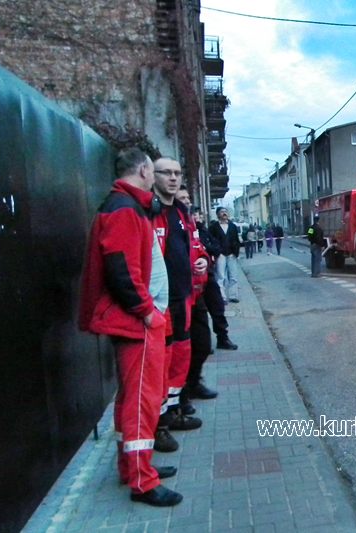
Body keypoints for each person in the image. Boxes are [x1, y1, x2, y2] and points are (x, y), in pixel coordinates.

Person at [78, 147, 182, 507]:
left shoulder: (126, 206)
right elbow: (122, 269)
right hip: (136, 323)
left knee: (133, 399)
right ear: (142, 170)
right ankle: (142, 480)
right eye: (154, 172)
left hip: (136, 321)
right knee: (142, 400)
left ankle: (135, 466)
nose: (157, 179)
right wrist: (146, 311)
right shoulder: (124, 210)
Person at [151, 157, 205, 453]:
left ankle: (173, 410)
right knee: (163, 364)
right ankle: (159, 425)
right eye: (166, 173)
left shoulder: (182, 212)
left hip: (184, 295)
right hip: (161, 302)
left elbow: (193, 246)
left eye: (176, 173)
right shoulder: (151, 211)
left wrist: (201, 261)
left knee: (180, 358)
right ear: (153, 175)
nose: (172, 178)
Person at [174, 188, 220, 413]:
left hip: (197, 293)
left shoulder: (190, 224)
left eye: (188, 199)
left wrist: (203, 260)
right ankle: (180, 396)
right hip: (180, 298)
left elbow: (200, 250)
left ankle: (193, 383)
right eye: (182, 198)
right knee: (181, 350)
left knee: (202, 344)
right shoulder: (168, 221)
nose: (186, 202)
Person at [192, 207, 238, 351]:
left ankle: (223, 338)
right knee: (198, 313)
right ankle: (202, 344)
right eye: (194, 214)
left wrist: (208, 253)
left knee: (217, 307)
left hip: (208, 273)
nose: (197, 217)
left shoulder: (204, 230)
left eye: (198, 214)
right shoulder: (185, 230)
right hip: (191, 278)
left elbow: (214, 245)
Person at [209, 207, 241, 303]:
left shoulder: (233, 226)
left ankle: (233, 295)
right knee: (220, 277)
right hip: (220, 255)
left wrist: (236, 252)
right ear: (218, 214)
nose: (224, 213)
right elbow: (211, 240)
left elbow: (236, 240)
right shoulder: (213, 227)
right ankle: (222, 297)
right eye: (222, 212)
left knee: (233, 276)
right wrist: (215, 252)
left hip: (232, 254)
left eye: (225, 211)